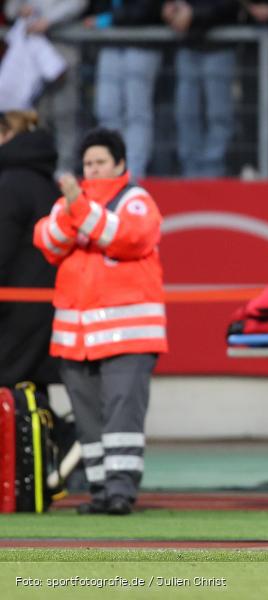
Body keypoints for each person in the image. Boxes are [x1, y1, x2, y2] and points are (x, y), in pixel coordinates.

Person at [33, 128, 167, 515]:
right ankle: (99, 492)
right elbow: (47, 241)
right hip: (76, 340)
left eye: (100, 163)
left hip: (129, 336)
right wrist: (77, 209)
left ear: (120, 164)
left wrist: (78, 210)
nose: (92, 170)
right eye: (87, 163)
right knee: (90, 423)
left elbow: (127, 238)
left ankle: (121, 493)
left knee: (121, 417)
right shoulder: (73, 203)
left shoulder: (135, 200)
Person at [0, 110, 60, 392]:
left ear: (7, 136)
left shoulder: (10, 184)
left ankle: (61, 433)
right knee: (31, 393)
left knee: (11, 393)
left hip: (13, 307)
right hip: (44, 304)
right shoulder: (48, 182)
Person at [3, 1, 88, 173]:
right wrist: (21, 10)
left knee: (65, 115)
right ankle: (35, 167)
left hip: (63, 53)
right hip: (29, 60)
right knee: (34, 117)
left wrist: (48, 20)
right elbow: (10, 8)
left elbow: (78, 3)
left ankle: (65, 171)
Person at [84, 0, 164, 180]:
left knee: (136, 113)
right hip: (110, 41)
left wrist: (111, 19)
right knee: (106, 109)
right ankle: (108, 169)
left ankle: (133, 174)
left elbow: (148, 9)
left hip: (143, 39)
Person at [163, 0, 240, 177]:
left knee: (218, 114)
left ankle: (213, 171)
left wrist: (194, 14)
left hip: (219, 45)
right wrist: (170, 9)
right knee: (186, 113)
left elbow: (230, 7)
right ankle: (190, 171)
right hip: (188, 44)